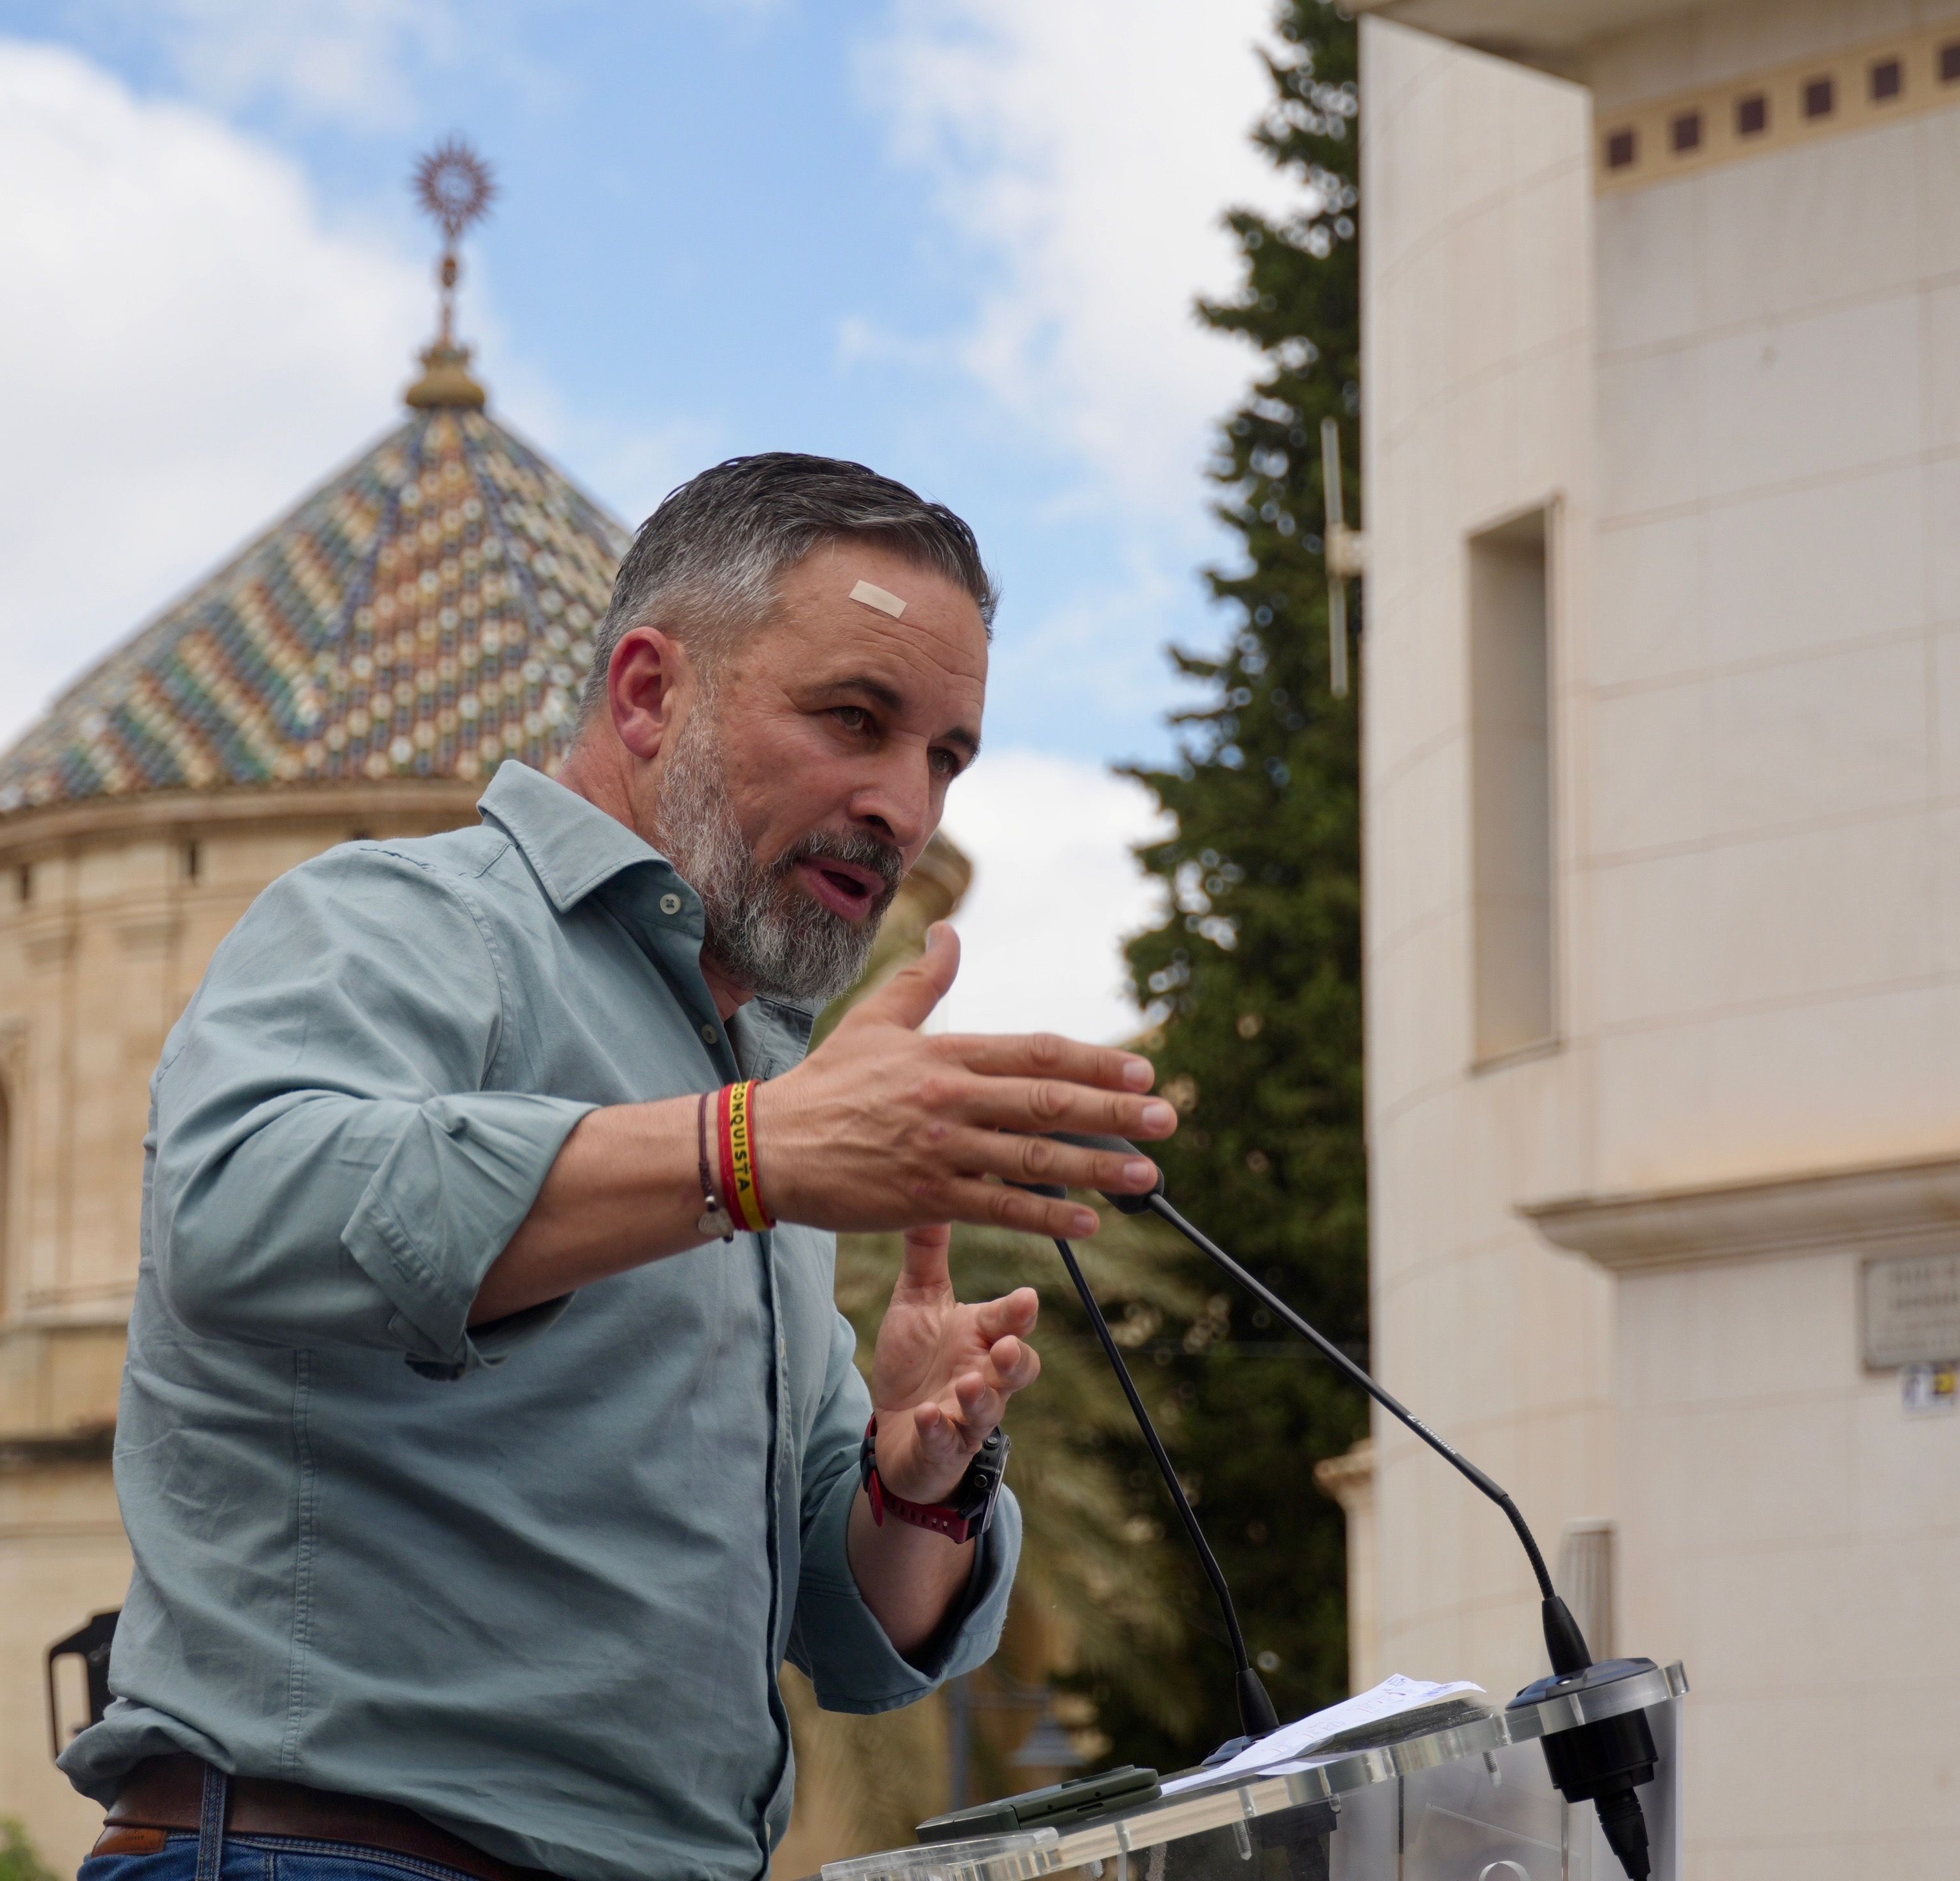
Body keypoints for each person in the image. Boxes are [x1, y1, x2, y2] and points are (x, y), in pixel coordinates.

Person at [60, 454, 1177, 1881]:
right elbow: (236, 1207)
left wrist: (918, 1478)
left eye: (945, 758)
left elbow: (853, 1634)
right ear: (648, 694)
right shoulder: (404, 921)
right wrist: (747, 1153)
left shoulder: (765, 1095)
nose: (906, 807)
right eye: (855, 719)